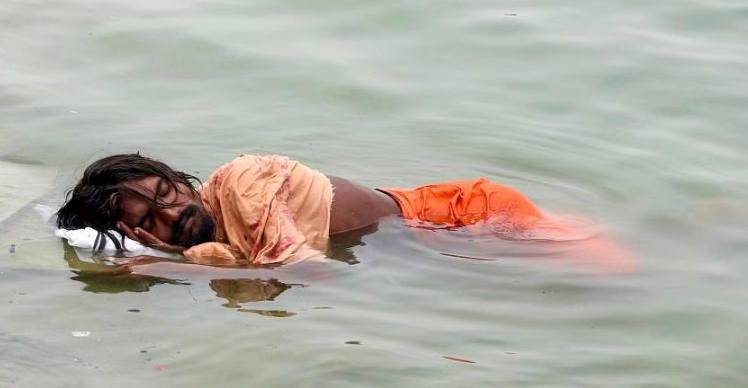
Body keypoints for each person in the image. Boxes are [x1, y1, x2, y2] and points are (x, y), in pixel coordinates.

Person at [56, 153, 635, 272]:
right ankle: (715, 229)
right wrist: (171, 252)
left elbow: (309, 271)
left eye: (166, 192)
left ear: (182, 179)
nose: (171, 213)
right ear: (131, 230)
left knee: (623, 276)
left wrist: (169, 265)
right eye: (150, 217)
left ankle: (719, 237)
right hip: (433, 240)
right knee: (613, 260)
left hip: (466, 215)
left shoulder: (244, 183)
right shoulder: (214, 238)